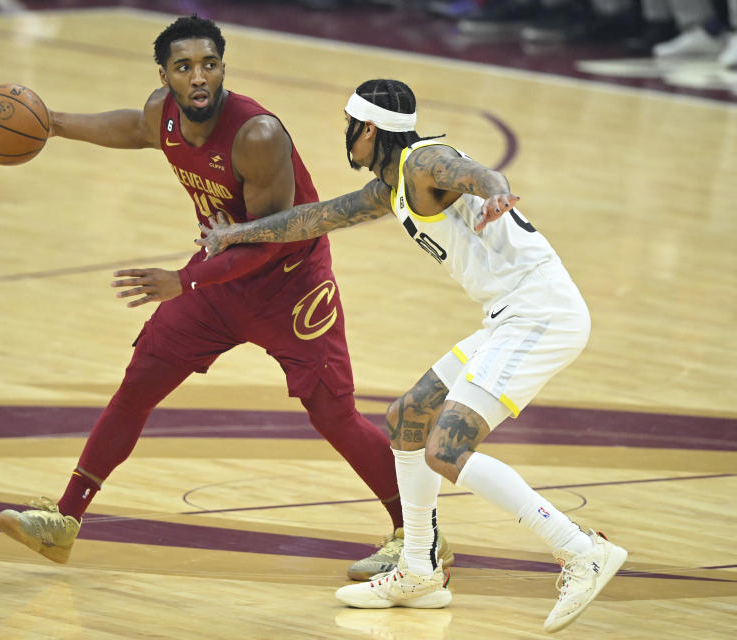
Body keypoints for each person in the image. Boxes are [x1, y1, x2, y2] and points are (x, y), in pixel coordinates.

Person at [0, 15, 455, 581]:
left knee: (332, 413)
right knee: (139, 383)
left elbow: (269, 238)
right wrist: (54, 123)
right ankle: (65, 519)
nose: (199, 77)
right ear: (164, 75)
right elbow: (135, 128)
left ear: (222, 68)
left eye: (209, 64)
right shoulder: (162, 112)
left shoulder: (256, 134)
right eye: (184, 67)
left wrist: (183, 282)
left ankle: (418, 536)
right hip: (218, 281)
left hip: (289, 284)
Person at [196, 78, 628, 633]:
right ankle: (418, 567)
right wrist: (242, 233)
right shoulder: (392, 185)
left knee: (446, 448)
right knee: (408, 419)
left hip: (541, 314)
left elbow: (470, 172)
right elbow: (318, 216)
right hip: (508, 316)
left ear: (367, 129)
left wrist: (495, 188)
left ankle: (578, 549)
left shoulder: (425, 163)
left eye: (349, 128)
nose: (345, 137)